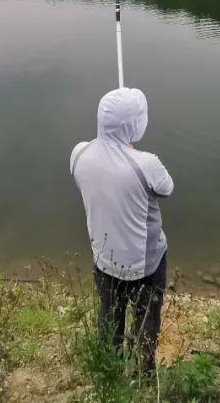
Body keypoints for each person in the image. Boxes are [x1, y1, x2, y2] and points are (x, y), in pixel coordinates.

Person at [70, 87, 173, 371]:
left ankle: (109, 366)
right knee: (146, 319)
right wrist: (131, 153)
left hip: (104, 259)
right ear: (136, 124)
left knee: (109, 312)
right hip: (146, 265)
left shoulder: (79, 154)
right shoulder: (146, 164)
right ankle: (143, 372)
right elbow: (167, 189)